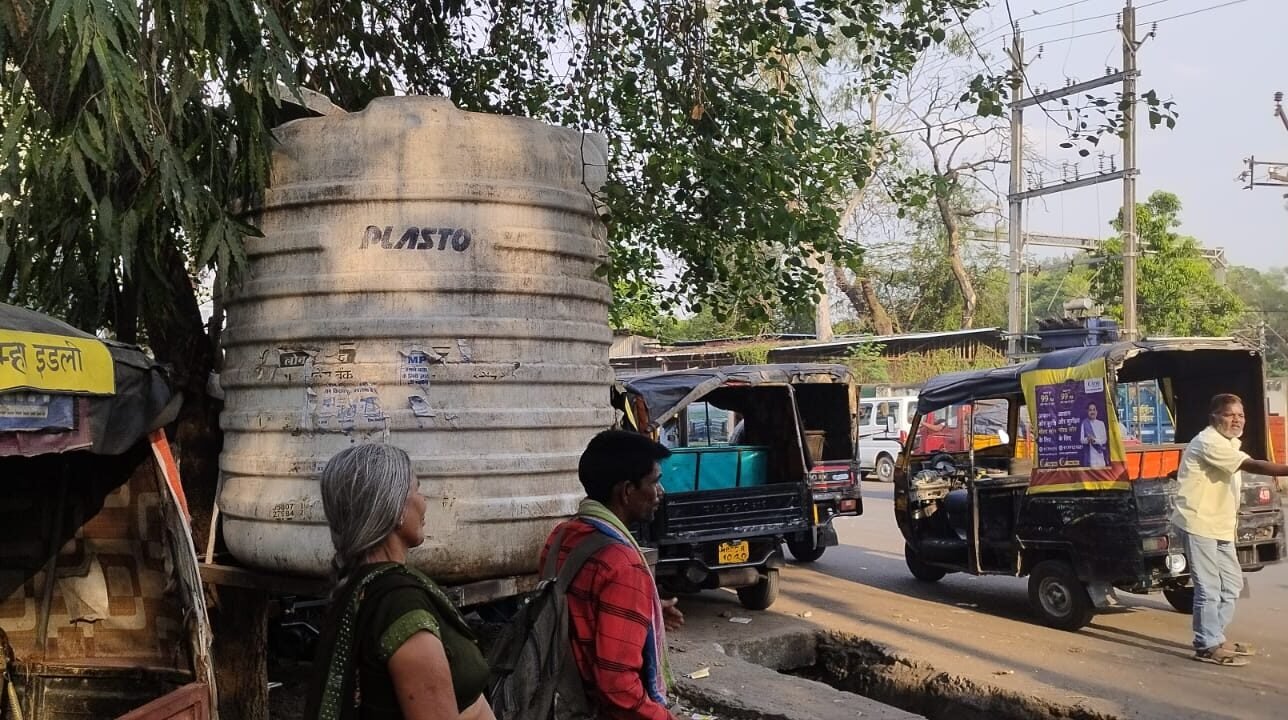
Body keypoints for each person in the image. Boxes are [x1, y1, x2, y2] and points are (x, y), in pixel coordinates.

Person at [305, 444, 495, 720]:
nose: (424, 502)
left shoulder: (358, 589)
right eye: (417, 490)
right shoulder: (399, 606)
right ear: (396, 510)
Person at [540, 430, 684, 720]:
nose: (660, 492)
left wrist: (644, 614)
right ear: (627, 491)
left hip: (553, 698)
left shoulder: (562, 536)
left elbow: (579, 611)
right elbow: (618, 687)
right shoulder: (623, 565)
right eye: (654, 482)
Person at [1172, 394, 1288, 667]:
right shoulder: (1209, 441)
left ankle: (1215, 635)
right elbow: (1254, 465)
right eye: (1229, 415)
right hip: (1199, 523)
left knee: (1233, 584)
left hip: (1221, 526)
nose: (1237, 420)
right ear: (1214, 417)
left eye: (1241, 415)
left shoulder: (1229, 443)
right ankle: (1206, 645)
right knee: (1209, 587)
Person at [1080, 402, 1109, 469]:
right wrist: (1088, 439)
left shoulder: (1101, 423)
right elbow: (1081, 440)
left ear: (1096, 411)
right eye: (1090, 410)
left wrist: (1094, 440)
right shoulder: (1084, 423)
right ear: (1087, 412)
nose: (1092, 412)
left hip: (1100, 455)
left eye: (1094, 410)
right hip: (1090, 456)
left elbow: (1104, 440)